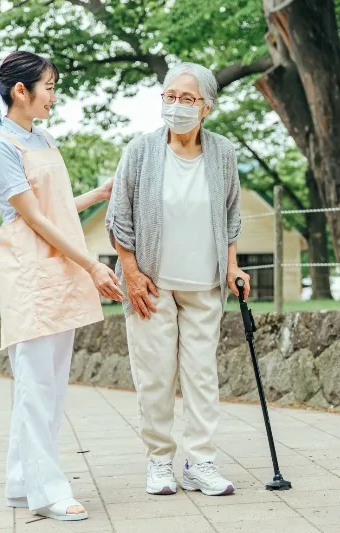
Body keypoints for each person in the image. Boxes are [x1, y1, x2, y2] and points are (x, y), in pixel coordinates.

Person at [0, 51, 124, 521]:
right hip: (33, 274)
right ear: (22, 91)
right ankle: (48, 489)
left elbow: (52, 207)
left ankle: (22, 481)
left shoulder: (42, 138)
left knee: (50, 385)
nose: (54, 97)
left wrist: (97, 196)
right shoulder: (1, 145)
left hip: (59, 271)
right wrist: (94, 267)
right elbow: (33, 219)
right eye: (50, 87)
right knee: (37, 386)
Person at [105, 62, 249, 497]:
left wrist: (232, 267)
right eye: (171, 97)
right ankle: (160, 461)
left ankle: (201, 462)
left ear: (206, 107)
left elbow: (231, 215)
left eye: (188, 99)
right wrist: (130, 273)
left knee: (202, 375)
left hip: (204, 283)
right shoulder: (141, 151)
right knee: (154, 375)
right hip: (151, 283)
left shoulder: (222, 153)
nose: (178, 106)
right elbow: (119, 216)